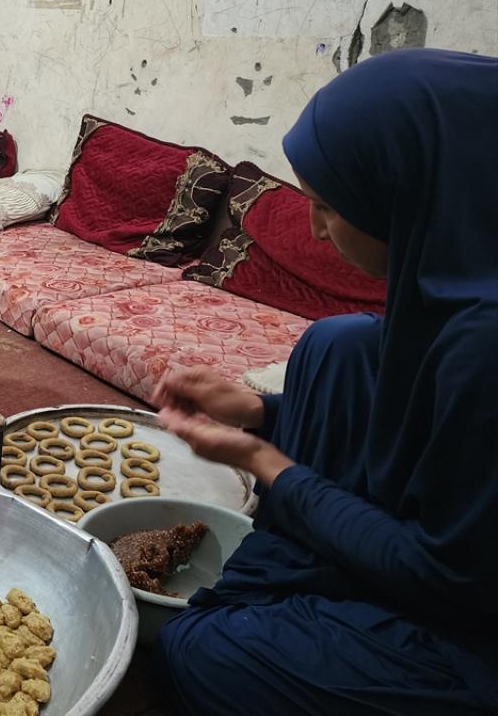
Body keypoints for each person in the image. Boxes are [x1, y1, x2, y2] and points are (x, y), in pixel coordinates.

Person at [150, 49, 498, 714]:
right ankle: (315, 579)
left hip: (472, 626)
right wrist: (260, 413)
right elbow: (419, 417)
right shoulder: (456, 282)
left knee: (196, 649)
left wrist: (265, 461)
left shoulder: (485, 345)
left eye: (327, 206)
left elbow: (449, 579)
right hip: (450, 560)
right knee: (338, 346)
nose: (312, 228)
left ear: (403, 193)